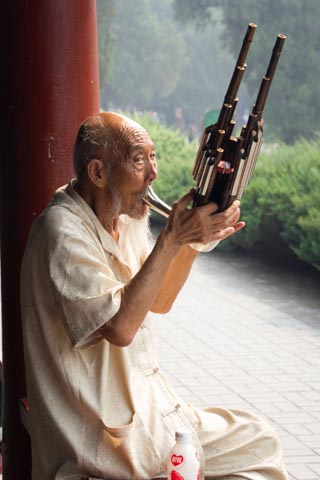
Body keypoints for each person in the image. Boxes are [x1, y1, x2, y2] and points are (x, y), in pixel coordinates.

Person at [21, 112, 288, 480]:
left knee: (260, 439)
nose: (153, 173)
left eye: (154, 156)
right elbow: (120, 328)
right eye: (138, 159)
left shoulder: (122, 218)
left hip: (153, 416)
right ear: (98, 173)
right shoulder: (61, 233)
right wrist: (171, 238)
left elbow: (157, 301)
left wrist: (191, 242)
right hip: (100, 443)